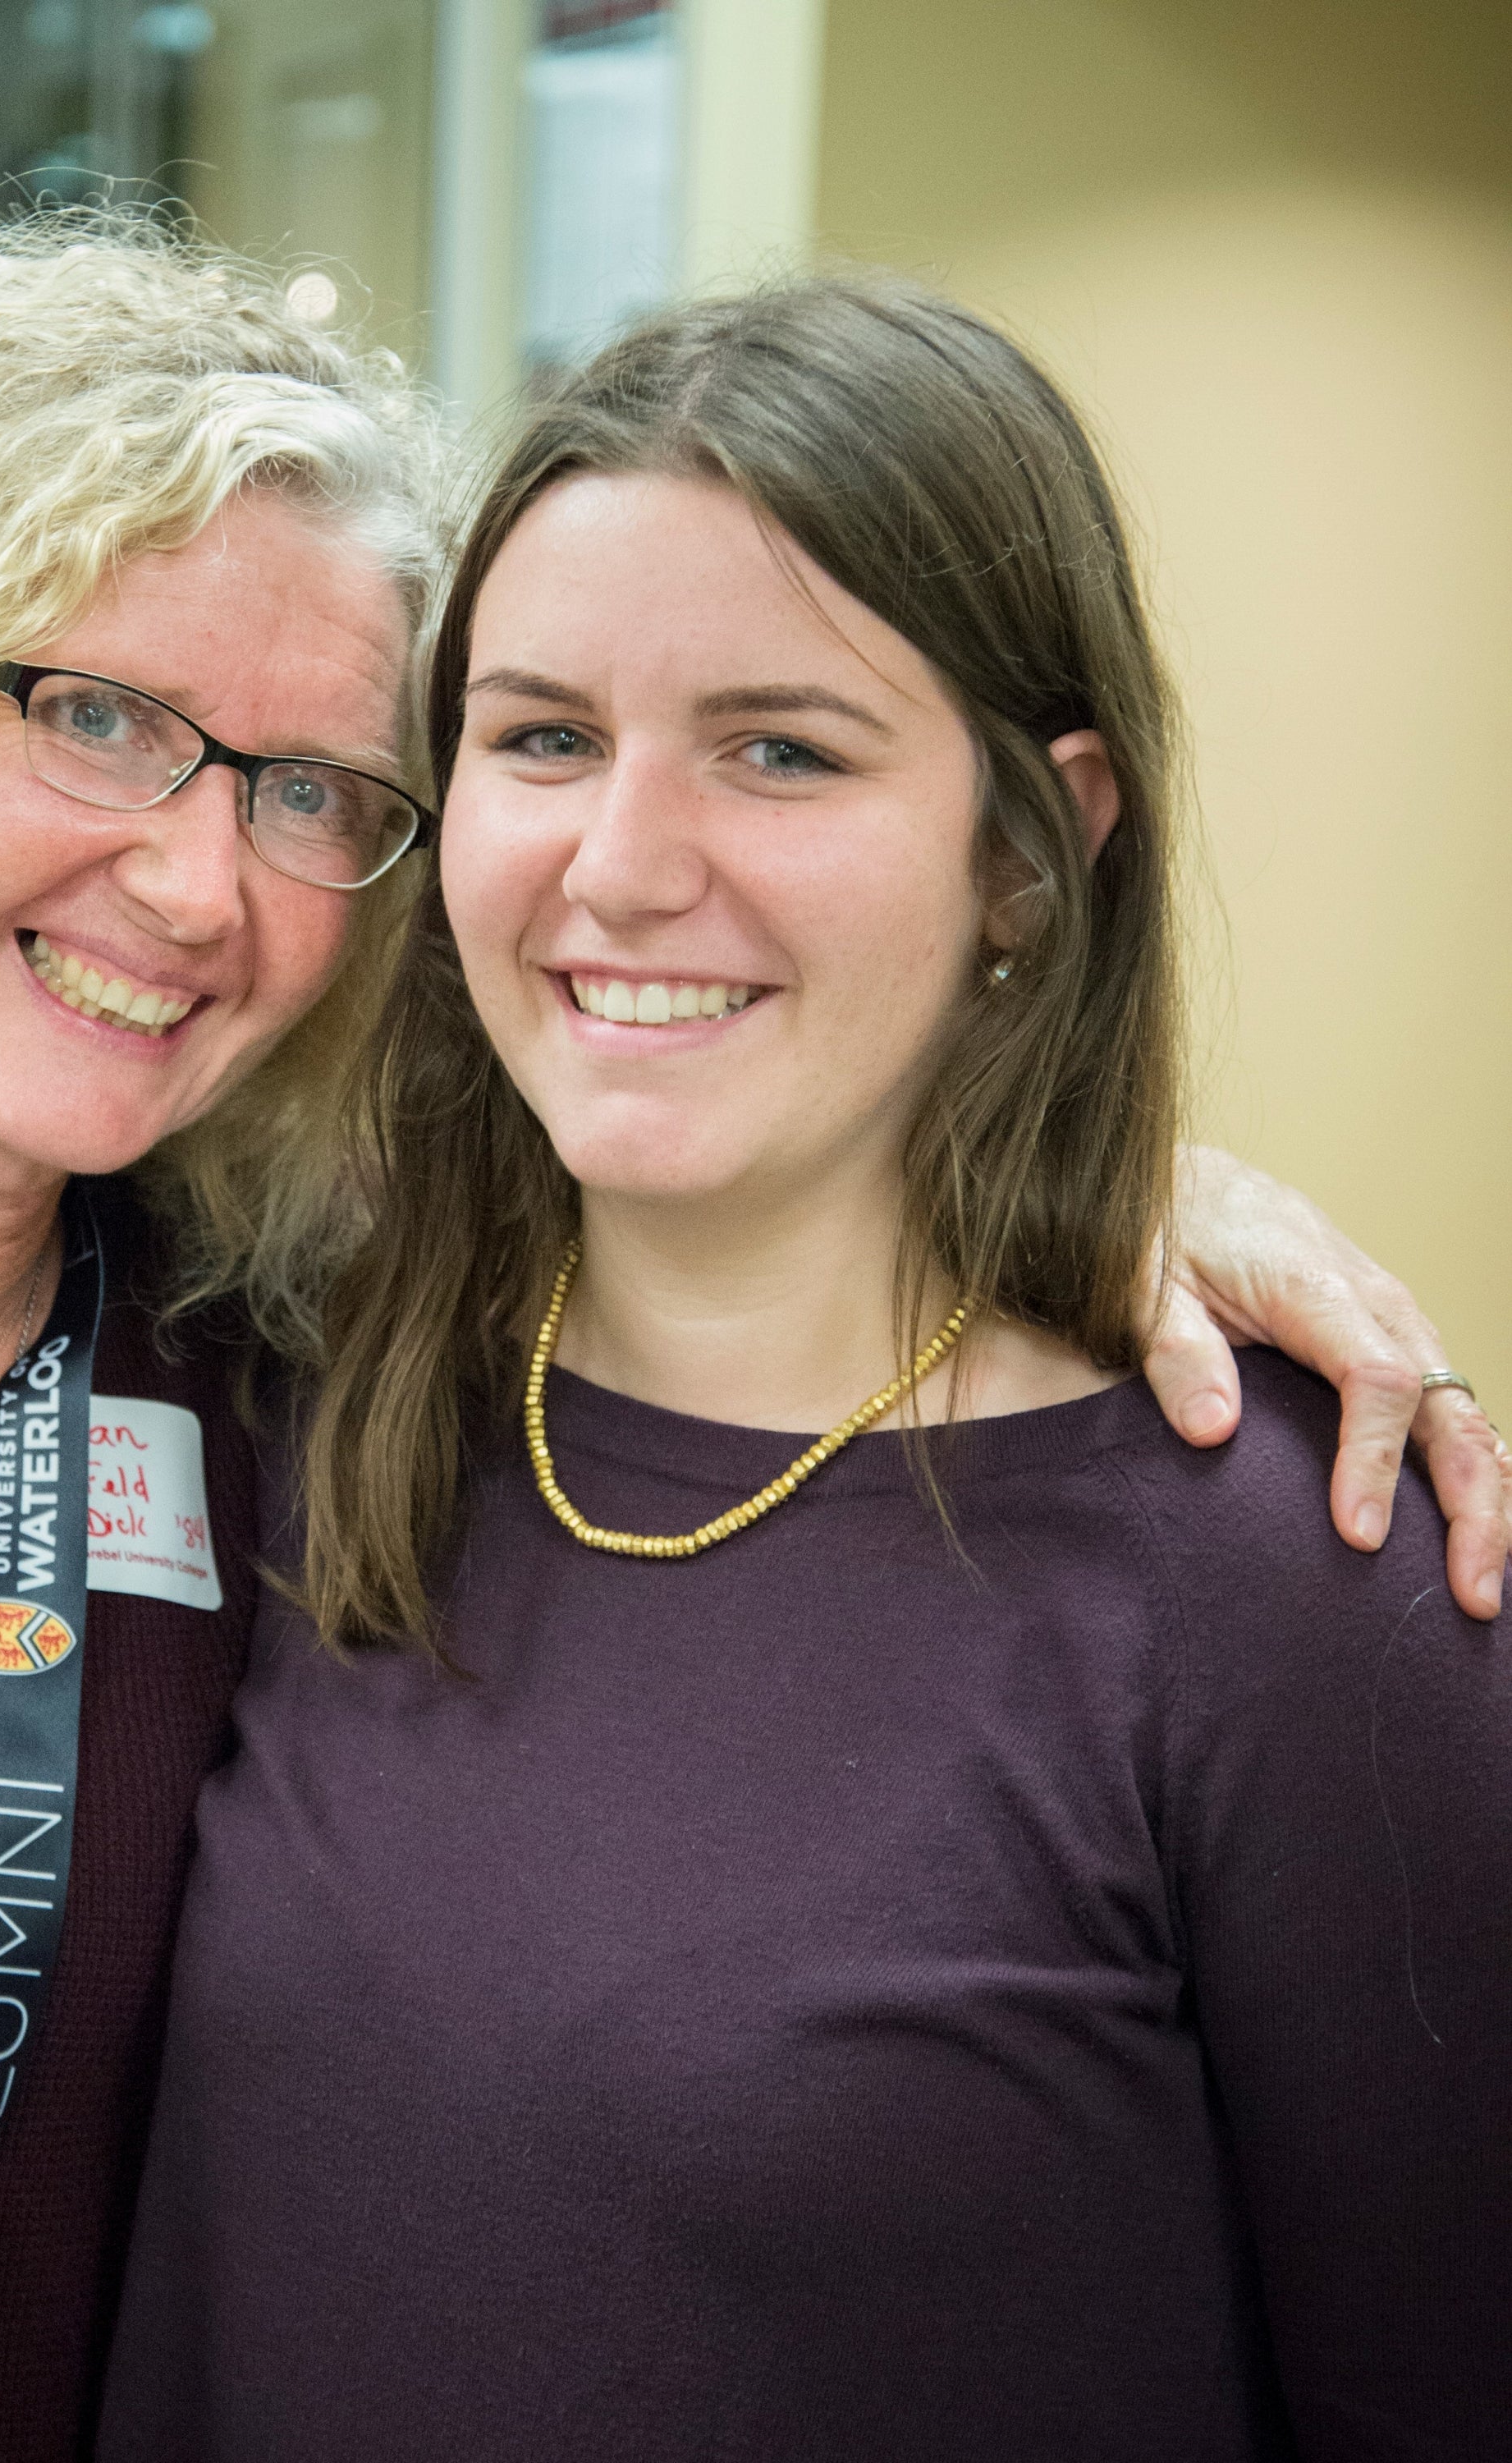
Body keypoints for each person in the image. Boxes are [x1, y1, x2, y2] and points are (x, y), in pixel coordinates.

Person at [0, 221, 1496, 2461]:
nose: (193, 876)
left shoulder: (256, 1367)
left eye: (319, 789)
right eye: (104, 718)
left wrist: (1132, 1191)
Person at [100, 273, 1512, 2460]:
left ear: (1037, 852)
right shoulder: (263, 1393)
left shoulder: (1299, 1584)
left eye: (781, 749)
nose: (623, 867)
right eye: (544, 737)